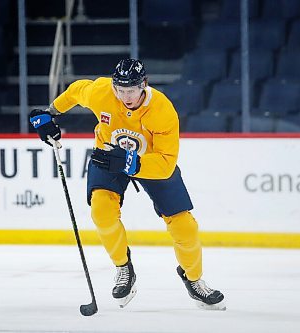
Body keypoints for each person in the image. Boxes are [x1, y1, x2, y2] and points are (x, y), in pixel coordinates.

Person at [29, 58, 225, 310]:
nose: (125, 96)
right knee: (101, 211)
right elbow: (77, 90)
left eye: (131, 90)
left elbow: (166, 163)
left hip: (151, 162)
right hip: (108, 156)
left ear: (144, 84)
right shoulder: (102, 92)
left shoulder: (162, 110)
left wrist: (133, 163)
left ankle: (194, 278)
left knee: (184, 226)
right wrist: (50, 113)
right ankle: (123, 267)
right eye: (120, 90)